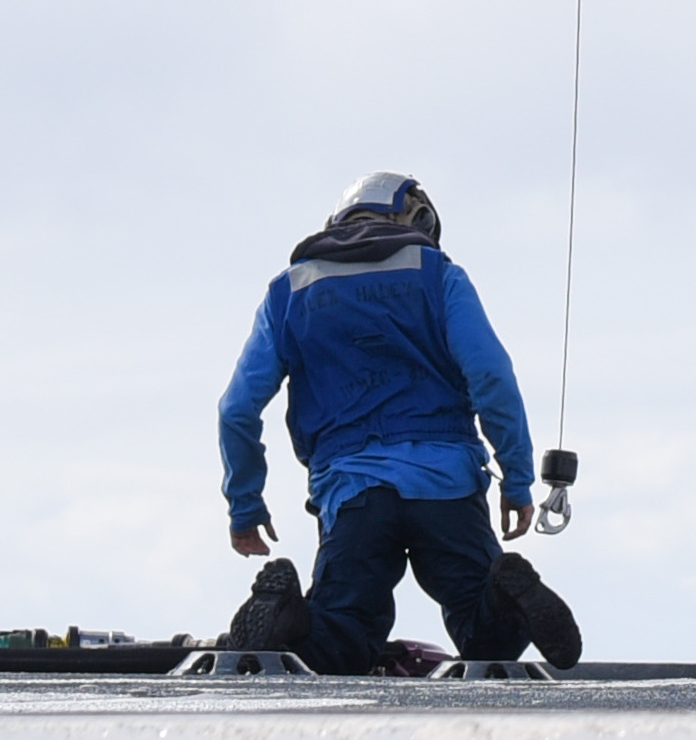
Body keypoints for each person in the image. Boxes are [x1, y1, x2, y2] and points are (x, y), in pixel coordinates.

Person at [216, 171, 577, 675]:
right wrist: (516, 480)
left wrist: (245, 504)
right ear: (419, 219)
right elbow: (492, 375)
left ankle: (288, 616)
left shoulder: (288, 293)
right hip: (446, 487)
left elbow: (236, 408)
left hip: (353, 492)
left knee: (340, 642)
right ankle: (504, 590)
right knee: (486, 640)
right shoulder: (439, 274)